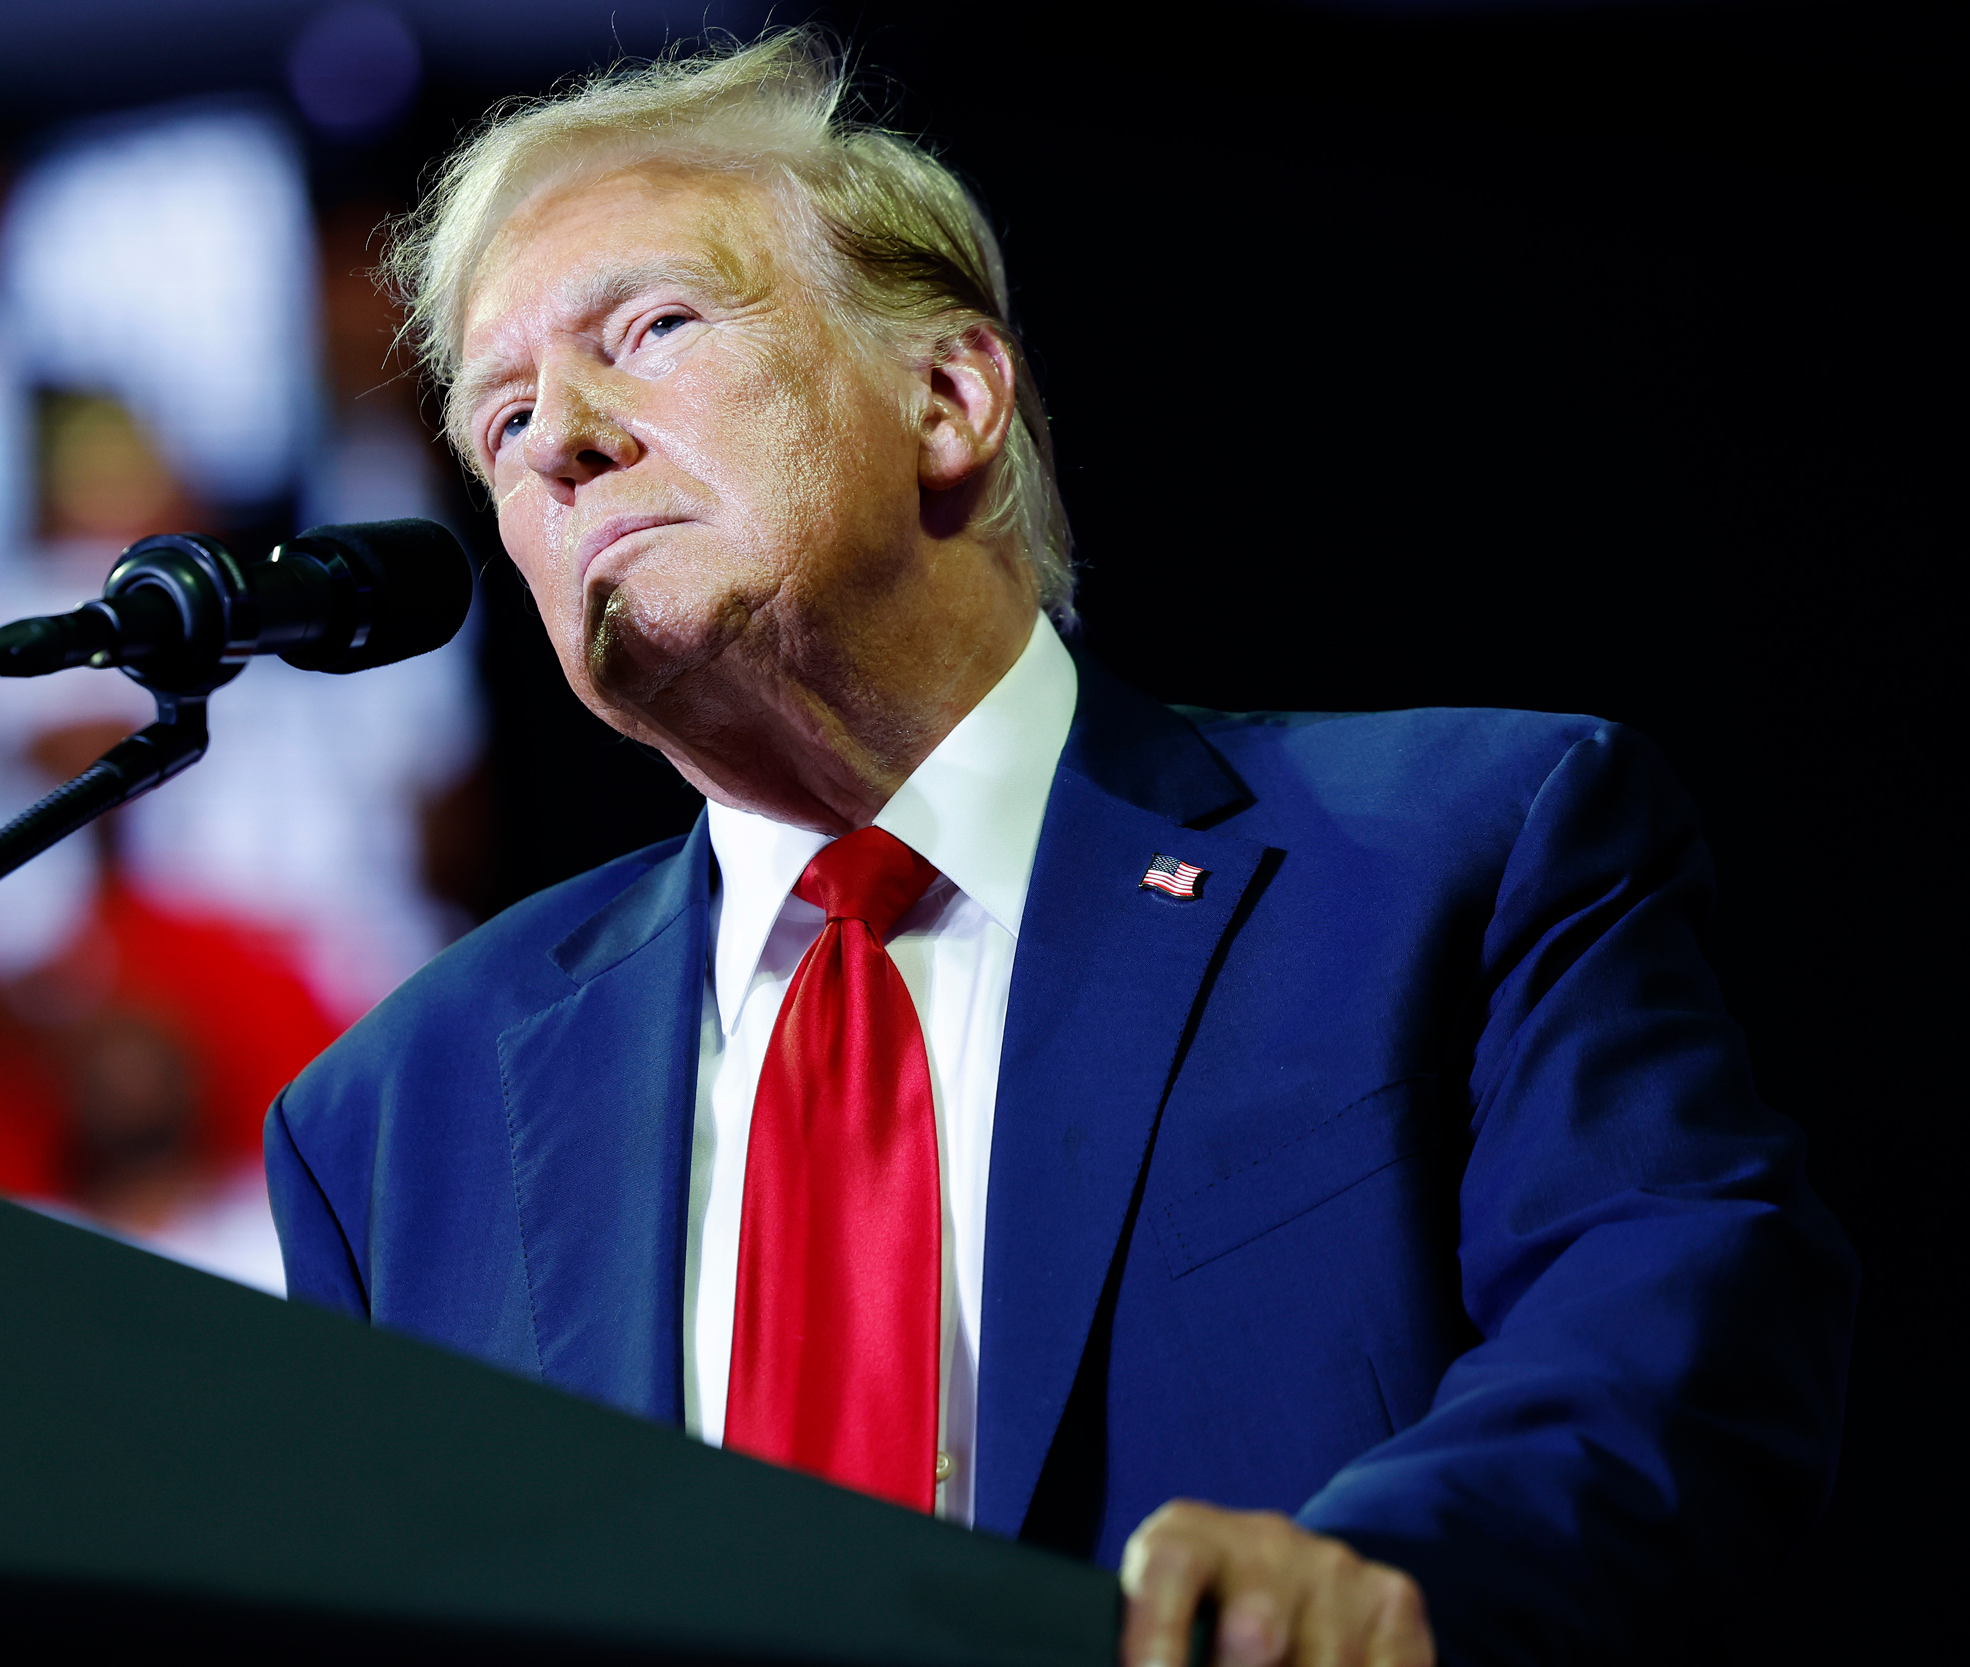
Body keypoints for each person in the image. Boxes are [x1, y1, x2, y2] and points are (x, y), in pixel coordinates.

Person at [265, 32, 1853, 1666]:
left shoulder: (1462, 854)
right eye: (502, 412)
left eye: (652, 329)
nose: (560, 441)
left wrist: (1396, 1573)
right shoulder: (402, 1113)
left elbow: (1681, 1312)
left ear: (947, 395)